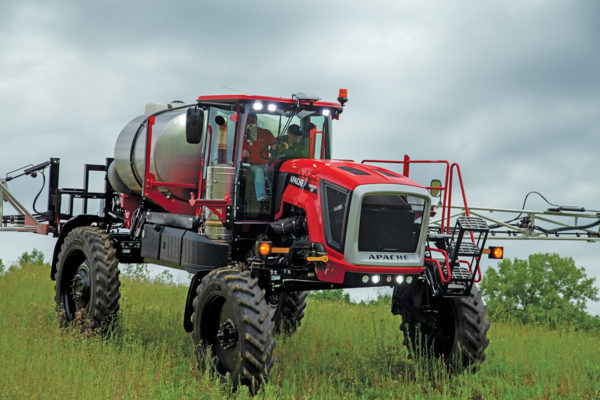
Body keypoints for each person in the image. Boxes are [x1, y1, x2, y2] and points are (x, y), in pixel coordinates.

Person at [241, 113, 274, 202]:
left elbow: (275, 146)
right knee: (259, 172)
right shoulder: (243, 135)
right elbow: (239, 150)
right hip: (251, 165)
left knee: (272, 173)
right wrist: (243, 152)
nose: (251, 122)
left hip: (265, 163)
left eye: (253, 120)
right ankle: (262, 198)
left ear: (256, 120)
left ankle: (276, 196)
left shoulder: (265, 133)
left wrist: (281, 145)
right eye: (249, 120)